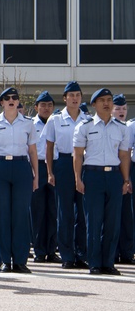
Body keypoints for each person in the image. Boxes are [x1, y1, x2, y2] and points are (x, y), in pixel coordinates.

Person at [0, 87, 39, 273]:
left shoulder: (28, 123)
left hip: (21, 167)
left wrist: (36, 175)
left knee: (21, 215)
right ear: (2, 103)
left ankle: (20, 260)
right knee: (1, 215)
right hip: (0, 167)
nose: (12, 100)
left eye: (15, 97)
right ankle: (5, 259)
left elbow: (33, 151)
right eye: (7, 98)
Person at [73, 88, 132, 275]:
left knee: (113, 222)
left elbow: (124, 156)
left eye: (109, 100)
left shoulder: (121, 128)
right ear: (94, 105)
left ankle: (108, 263)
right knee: (94, 221)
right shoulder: (85, 126)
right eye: (102, 100)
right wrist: (78, 178)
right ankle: (95, 263)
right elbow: (78, 155)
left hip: (114, 176)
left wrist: (125, 179)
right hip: (93, 175)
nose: (106, 103)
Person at [41, 81, 90, 269]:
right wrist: (50, 171)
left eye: (78, 95)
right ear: (65, 98)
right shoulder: (55, 119)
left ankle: (81, 253)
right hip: (62, 163)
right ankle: (67, 255)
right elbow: (49, 147)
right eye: (71, 95)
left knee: (82, 213)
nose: (75, 98)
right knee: (64, 212)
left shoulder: (87, 119)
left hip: (83, 164)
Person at [31, 91, 59, 262]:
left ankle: (51, 249)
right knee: (38, 210)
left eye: (49, 105)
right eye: (43, 105)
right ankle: (39, 250)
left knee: (53, 210)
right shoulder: (30, 124)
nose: (46, 108)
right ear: (36, 107)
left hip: (54, 166)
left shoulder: (56, 123)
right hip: (37, 167)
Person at [113, 94, 134, 264]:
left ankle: (127, 252)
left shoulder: (128, 127)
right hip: (110, 171)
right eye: (118, 108)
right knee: (112, 215)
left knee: (127, 215)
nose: (121, 112)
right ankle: (112, 253)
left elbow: (127, 154)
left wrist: (127, 178)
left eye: (124, 109)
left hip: (126, 171)